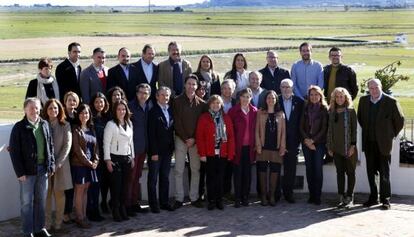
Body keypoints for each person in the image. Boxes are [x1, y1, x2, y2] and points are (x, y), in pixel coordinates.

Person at [9, 97, 55, 237]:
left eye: (36, 108)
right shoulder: (19, 127)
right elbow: (14, 152)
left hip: (43, 170)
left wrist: (51, 164)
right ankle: (27, 231)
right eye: (31, 108)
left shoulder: (45, 124)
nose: (34, 111)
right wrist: (20, 172)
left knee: (40, 202)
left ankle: (39, 228)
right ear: (25, 110)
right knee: (26, 203)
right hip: (27, 173)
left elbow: (50, 146)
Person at [357, 78, 404, 210]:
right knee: (371, 172)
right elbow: (360, 118)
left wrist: (389, 134)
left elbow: (400, 121)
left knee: (384, 172)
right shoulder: (363, 101)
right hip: (369, 142)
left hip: (384, 143)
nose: (374, 90)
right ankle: (373, 197)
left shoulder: (391, 102)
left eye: (376, 87)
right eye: (371, 88)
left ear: (381, 86)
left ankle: (385, 199)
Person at [172, 74, 206, 209]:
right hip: (181, 139)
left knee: (195, 170)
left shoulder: (202, 104)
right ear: (185, 85)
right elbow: (176, 121)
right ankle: (179, 198)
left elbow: (201, 124)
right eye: (189, 84)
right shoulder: (176, 101)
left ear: (197, 87)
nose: (191, 86)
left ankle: (194, 197)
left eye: (194, 84)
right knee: (179, 170)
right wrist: (186, 137)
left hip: (195, 140)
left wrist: (194, 139)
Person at [196, 95, 235, 210]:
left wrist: (230, 153)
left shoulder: (226, 118)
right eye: (213, 103)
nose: (215, 105)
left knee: (220, 177)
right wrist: (202, 154)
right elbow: (199, 137)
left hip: (223, 153)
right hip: (209, 153)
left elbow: (231, 137)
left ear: (221, 105)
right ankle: (211, 200)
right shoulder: (204, 118)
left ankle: (219, 200)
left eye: (218, 103)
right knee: (211, 177)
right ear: (209, 105)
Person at [43, 99, 73, 232]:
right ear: (46, 110)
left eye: (55, 108)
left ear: (60, 109)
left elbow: (67, 145)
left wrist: (58, 163)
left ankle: (58, 224)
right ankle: (47, 225)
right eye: (50, 108)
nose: (53, 111)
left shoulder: (65, 124)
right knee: (46, 196)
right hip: (45, 165)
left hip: (61, 165)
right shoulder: (42, 124)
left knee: (60, 196)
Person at [104, 100, 135, 221]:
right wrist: (107, 160)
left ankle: (123, 208)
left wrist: (132, 157)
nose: (121, 111)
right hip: (114, 158)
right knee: (116, 187)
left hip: (126, 158)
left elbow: (131, 142)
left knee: (125, 187)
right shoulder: (110, 124)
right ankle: (115, 210)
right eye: (118, 109)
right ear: (115, 111)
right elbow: (106, 143)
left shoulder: (129, 123)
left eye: (123, 109)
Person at [327, 87, 357, 208]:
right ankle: (341, 196)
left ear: (346, 98)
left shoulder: (350, 111)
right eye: (337, 96)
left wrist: (352, 146)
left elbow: (354, 130)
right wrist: (329, 146)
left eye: (342, 96)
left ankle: (349, 196)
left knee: (350, 172)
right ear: (334, 98)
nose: (339, 99)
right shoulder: (331, 111)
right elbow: (329, 130)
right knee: (339, 173)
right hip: (336, 148)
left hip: (349, 148)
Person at [255, 90, 286, 206]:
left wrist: (282, 147)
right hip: (263, 147)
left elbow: (283, 133)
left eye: (273, 98)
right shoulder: (260, 113)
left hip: (276, 147)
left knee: (275, 171)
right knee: (262, 170)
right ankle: (263, 195)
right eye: (268, 98)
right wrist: (258, 145)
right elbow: (256, 131)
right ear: (265, 100)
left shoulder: (281, 114)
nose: (271, 100)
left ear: (276, 100)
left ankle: (272, 195)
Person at [147, 87, 175, 213]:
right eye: (162, 95)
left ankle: (164, 202)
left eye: (167, 95)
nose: (165, 97)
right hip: (156, 151)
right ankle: (153, 204)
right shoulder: (153, 111)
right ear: (157, 96)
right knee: (153, 178)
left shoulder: (170, 110)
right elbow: (151, 134)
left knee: (165, 177)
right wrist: (153, 152)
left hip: (168, 150)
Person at [228, 88, 257, 207]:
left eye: (248, 97)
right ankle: (237, 198)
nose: (245, 99)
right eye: (243, 96)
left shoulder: (255, 111)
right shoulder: (233, 111)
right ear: (239, 97)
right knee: (238, 174)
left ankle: (245, 197)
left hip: (250, 148)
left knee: (247, 174)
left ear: (251, 98)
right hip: (237, 148)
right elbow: (229, 131)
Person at [71, 104, 99, 228]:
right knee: (79, 190)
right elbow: (77, 150)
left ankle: (84, 215)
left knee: (86, 190)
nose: (84, 115)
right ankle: (79, 217)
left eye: (86, 113)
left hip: (90, 165)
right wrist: (89, 163)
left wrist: (96, 161)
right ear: (78, 115)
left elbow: (96, 148)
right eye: (82, 113)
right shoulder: (75, 130)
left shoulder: (91, 129)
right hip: (79, 165)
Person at [300, 85, 328, 205]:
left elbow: (324, 128)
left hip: (319, 144)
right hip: (306, 143)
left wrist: (313, 141)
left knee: (317, 169)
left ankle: (317, 195)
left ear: (320, 96)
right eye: (311, 94)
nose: (314, 97)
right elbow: (300, 126)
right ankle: (311, 195)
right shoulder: (305, 108)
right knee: (309, 169)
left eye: (316, 94)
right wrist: (307, 140)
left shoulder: (324, 109)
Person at [276, 78, 304, 203]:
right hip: (276, 140)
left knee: (290, 168)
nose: (286, 89)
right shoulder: (274, 100)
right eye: (283, 87)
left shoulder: (299, 102)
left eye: (288, 87)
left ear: (292, 88)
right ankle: (276, 194)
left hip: (293, 141)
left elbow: (302, 122)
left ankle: (289, 193)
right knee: (276, 167)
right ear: (280, 88)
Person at [127, 83, 152, 215]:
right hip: (132, 148)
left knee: (137, 176)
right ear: (136, 94)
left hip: (144, 147)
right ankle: (127, 204)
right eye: (141, 92)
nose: (143, 95)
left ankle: (134, 202)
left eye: (146, 93)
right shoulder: (130, 107)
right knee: (130, 177)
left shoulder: (150, 106)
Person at [87, 93, 109, 221]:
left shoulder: (108, 117)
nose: (99, 104)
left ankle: (101, 206)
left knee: (104, 183)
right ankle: (92, 211)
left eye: (101, 102)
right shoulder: (91, 118)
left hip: (106, 155)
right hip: (94, 156)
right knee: (94, 185)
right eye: (96, 102)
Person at [62, 91, 80, 223]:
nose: (72, 103)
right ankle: (65, 213)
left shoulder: (77, 115)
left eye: (74, 100)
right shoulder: (61, 116)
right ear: (65, 101)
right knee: (67, 186)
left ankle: (70, 210)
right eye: (69, 100)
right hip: (65, 154)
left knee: (73, 185)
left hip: (76, 154)